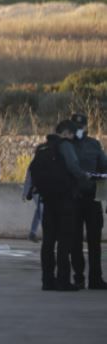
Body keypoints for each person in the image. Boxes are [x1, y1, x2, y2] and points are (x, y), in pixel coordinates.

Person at [31, 119, 87, 291]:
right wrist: (85, 179)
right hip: (65, 200)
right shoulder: (65, 146)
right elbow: (73, 167)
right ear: (67, 133)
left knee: (48, 241)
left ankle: (47, 280)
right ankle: (63, 280)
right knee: (64, 241)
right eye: (72, 133)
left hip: (48, 200)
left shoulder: (42, 147)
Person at [68, 112, 107, 289]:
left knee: (94, 242)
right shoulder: (66, 145)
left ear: (86, 126)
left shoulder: (94, 145)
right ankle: (78, 276)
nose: (79, 130)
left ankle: (96, 278)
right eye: (75, 127)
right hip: (73, 199)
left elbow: (104, 168)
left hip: (92, 199)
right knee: (75, 241)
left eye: (81, 126)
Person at [22, 166, 42, 243]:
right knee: (41, 209)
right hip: (36, 191)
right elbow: (28, 179)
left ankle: (32, 233)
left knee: (39, 211)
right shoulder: (34, 165)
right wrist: (24, 193)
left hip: (43, 191)